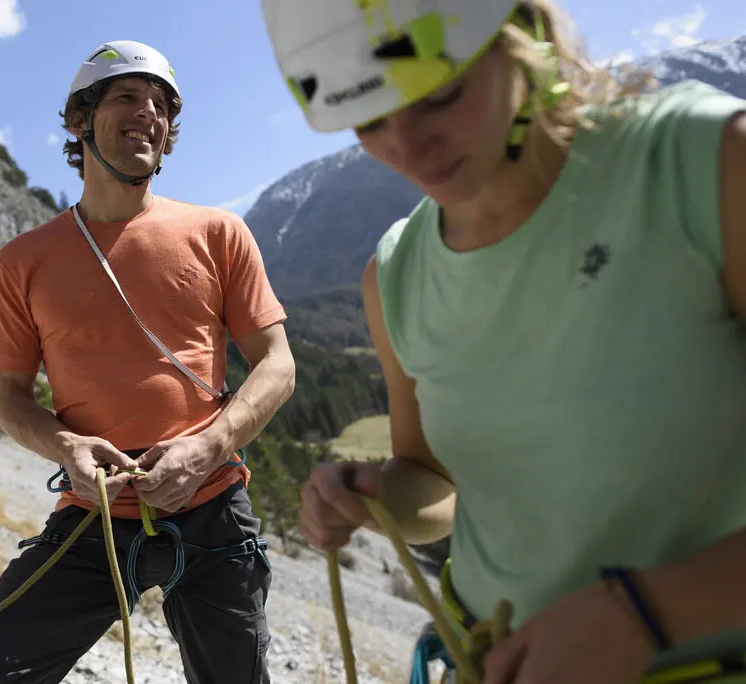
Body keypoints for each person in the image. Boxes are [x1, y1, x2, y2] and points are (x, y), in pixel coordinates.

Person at [261, 1, 746, 683]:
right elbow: (435, 485)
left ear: (522, 35)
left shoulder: (702, 165)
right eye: (368, 118)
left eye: (441, 94)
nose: (407, 148)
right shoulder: (397, 277)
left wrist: (646, 615)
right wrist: (374, 495)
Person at [0, 40, 296, 684]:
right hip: (92, 516)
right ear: (79, 120)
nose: (149, 113)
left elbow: (277, 365)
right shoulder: (24, 261)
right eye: (127, 96)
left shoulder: (218, 233)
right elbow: (10, 401)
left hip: (213, 507)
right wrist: (68, 447)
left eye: (162, 105)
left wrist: (206, 450)